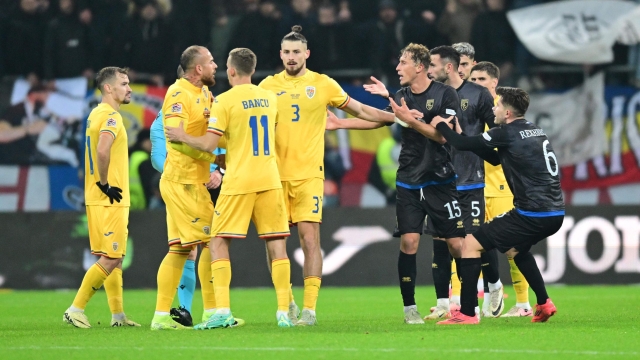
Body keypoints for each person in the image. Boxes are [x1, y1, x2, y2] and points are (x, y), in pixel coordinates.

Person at [258, 25, 406, 325]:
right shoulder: (266, 87)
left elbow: (361, 110)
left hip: (310, 176)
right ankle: (286, 303)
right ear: (280, 54)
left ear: (307, 54)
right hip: (273, 176)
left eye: (296, 52)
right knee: (274, 242)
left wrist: (398, 117)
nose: (291, 57)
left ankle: (310, 309)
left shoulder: (323, 84)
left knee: (310, 238)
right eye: (286, 52)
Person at [326, 43, 466, 324]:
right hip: (409, 182)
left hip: (441, 180)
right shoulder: (401, 96)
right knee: (409, 241)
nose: (398, 67)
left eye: (403, 62)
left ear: (420, 67)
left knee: (456, 246)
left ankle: (466, 304)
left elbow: (441, 137)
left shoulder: (445, 94)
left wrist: (409, 120)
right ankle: (409, 308)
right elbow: (383, 119)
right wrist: (342, 125)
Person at [165, 48, 294, 328]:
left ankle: (221, 310)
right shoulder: (270, 99)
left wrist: (182, 135)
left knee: (218, 241)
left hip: (239, 181)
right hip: (270, 179)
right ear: (253, 69)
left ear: (231, 70)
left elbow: (209, 144)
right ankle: (284, 311)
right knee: (277, 245)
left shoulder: (223, 101)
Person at [416, 86, 564, 325]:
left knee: (471, 245)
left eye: (497, 105)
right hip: (555, 212)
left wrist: (441, 124)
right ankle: (544, 303)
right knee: (517, 250)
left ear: (507, 113)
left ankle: (467, 313)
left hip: (532, 212)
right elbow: (495, 157)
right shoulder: (534, 130)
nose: (493, 108)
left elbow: (460, 145)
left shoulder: (506, 132)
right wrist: (464, 135)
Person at [424, 45, 503, 319]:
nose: (428, 70)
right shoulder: (429, 93)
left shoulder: (477, 94)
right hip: (438, 181)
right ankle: (447, 304)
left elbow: (498, 131)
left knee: (473, 242)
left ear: (449, 67)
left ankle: (488, 291)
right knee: (441, 242)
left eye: (432, 65)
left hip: (470, 180)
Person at [148, 64, 230, 327]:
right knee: (212, 241)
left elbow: (214, 134)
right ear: (196, 67)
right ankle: (212, 311)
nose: (216, 66)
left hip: (193, 182)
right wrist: (213, 158)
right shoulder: (177, 96)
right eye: (210, 61)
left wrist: (217, 167)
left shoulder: (205, 95)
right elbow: (175, 144)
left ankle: (162, 316)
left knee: (181, 249)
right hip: (182, 184)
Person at [63, 66, 140, 328]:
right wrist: (106, 184)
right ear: (108, 88)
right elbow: (103, 150)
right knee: (112, 257)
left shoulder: (94, 114)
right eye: (124, 83)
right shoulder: (111, 117)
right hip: (110, 197)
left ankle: (117, 315)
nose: (129, 88)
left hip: (95, 198)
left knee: (112, 257)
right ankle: (75, 308)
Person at [469, 61, 532, 316]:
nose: (476, 85)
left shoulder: (502, 110)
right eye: (473, 81)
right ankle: (473, 296)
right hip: (474, 186)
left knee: (513, 248)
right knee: (470, 244)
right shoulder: (468, 107)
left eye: (481, 80)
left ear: (494, 83)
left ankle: (523, 303)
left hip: (502, 186)